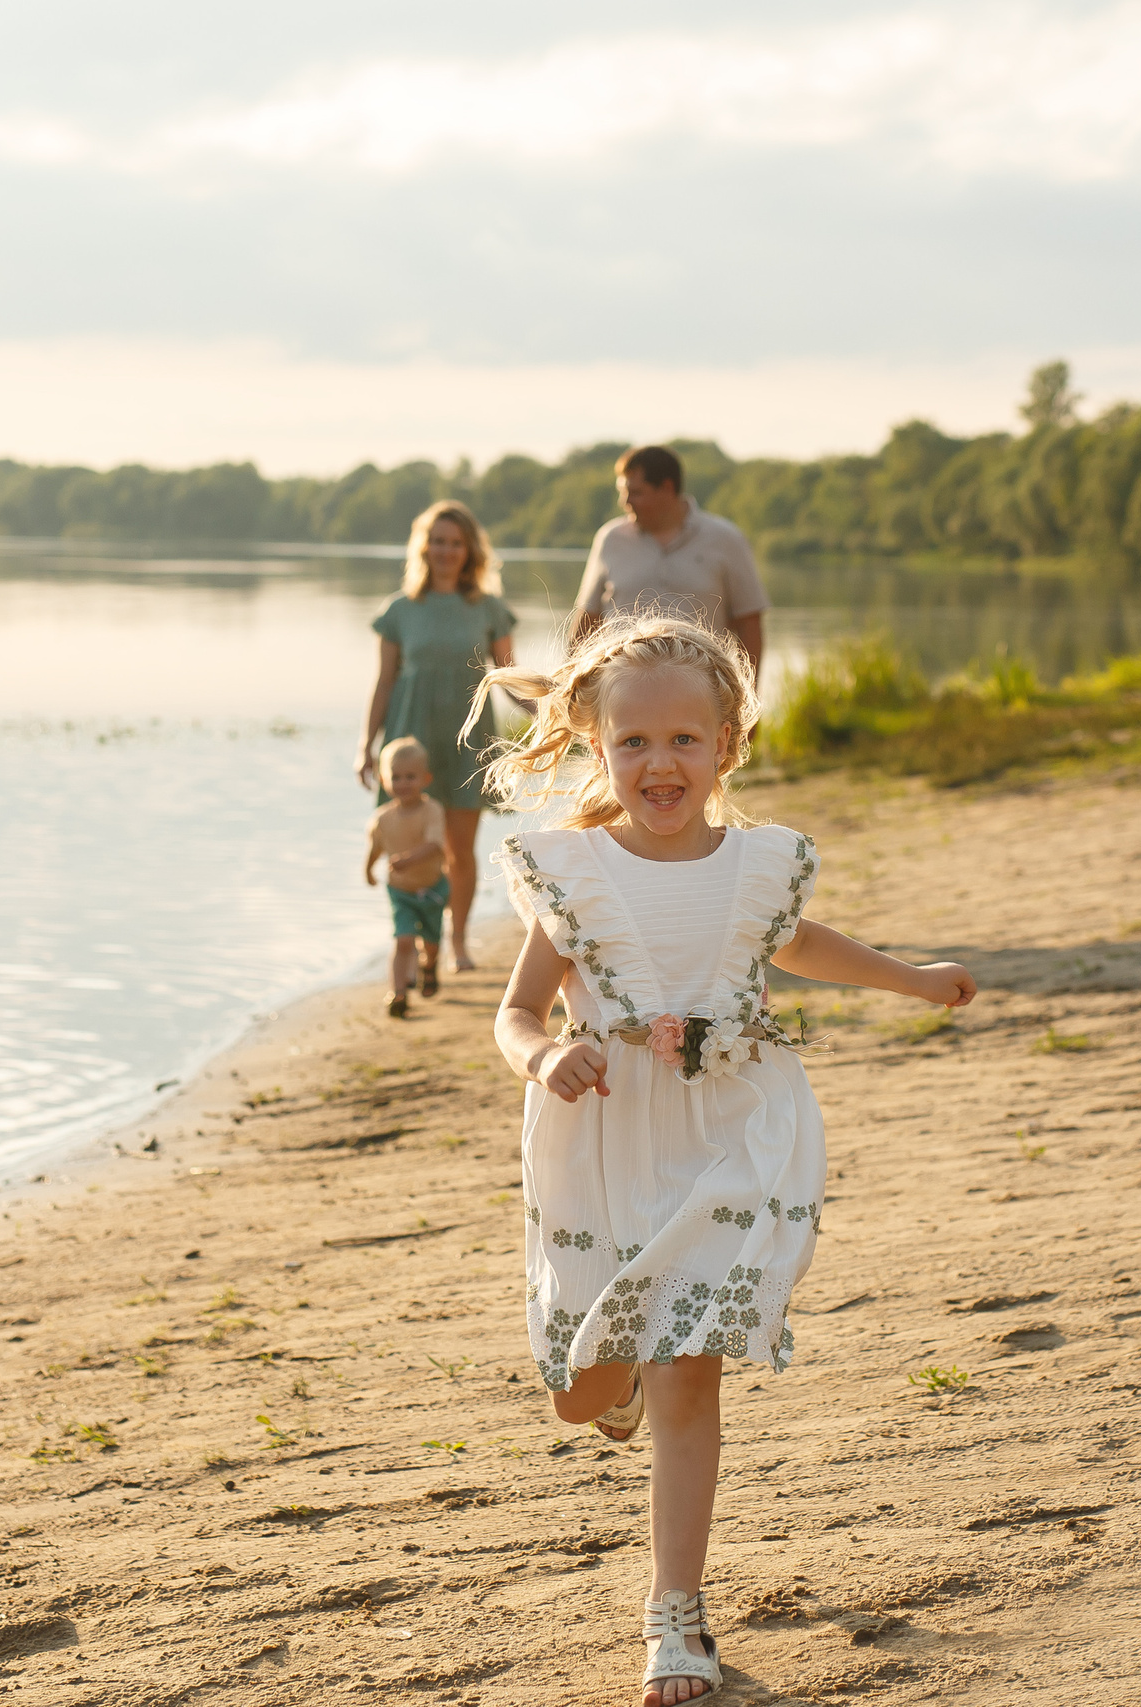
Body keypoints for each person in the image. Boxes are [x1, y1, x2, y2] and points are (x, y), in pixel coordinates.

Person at [474, 614, 977, 1706]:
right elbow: (514, 1013)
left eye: (683, 741)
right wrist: (545, 1054)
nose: (659, 764)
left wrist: (910, 978)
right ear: (597, 745)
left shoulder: (759, 865)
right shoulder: (574, 873)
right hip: (606, 1141)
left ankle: (676, 1614)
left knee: (688, 1366)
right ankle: (616, 1382)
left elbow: (797, 945)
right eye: (633, 743)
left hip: (729, 1136)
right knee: (584, 1395)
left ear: (726, 744)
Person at [357, 499, 518, 972]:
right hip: (412, 741)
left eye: (455, 543)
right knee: (408, 850)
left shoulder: (488, 608)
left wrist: (555, 711)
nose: (446, 551)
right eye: (438, 542)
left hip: (469, 739)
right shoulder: (400, 610)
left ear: (470, 551)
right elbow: (384, 681)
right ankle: (413, 940)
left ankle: (458, 943)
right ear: (423, 548)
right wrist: (366, 746)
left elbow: (509, 676)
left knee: (459, 850)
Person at [570, 445, 767, 682]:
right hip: (618, 689)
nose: (625, 502)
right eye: (623, 492)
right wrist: (568, 686)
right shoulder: (610, 538)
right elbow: (587, 619)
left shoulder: (726, 539)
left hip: (702, 691)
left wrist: (748, 693)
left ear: (667, 488)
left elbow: (749, 623)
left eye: (636, 493)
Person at [363, 736, 449, 1018]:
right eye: (396, 777)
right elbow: (375, 848)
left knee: (431, 941)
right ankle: (398, 992)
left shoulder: (432, 810)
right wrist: (368, 870)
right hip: (400, 891)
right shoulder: (382, 818)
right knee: (403, 939)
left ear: (426, 778)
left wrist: (408, 860)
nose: (403, 783)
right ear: (383, 780)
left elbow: (435, 845)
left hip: (432, 887)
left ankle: (429, 965)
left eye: (410, 777)